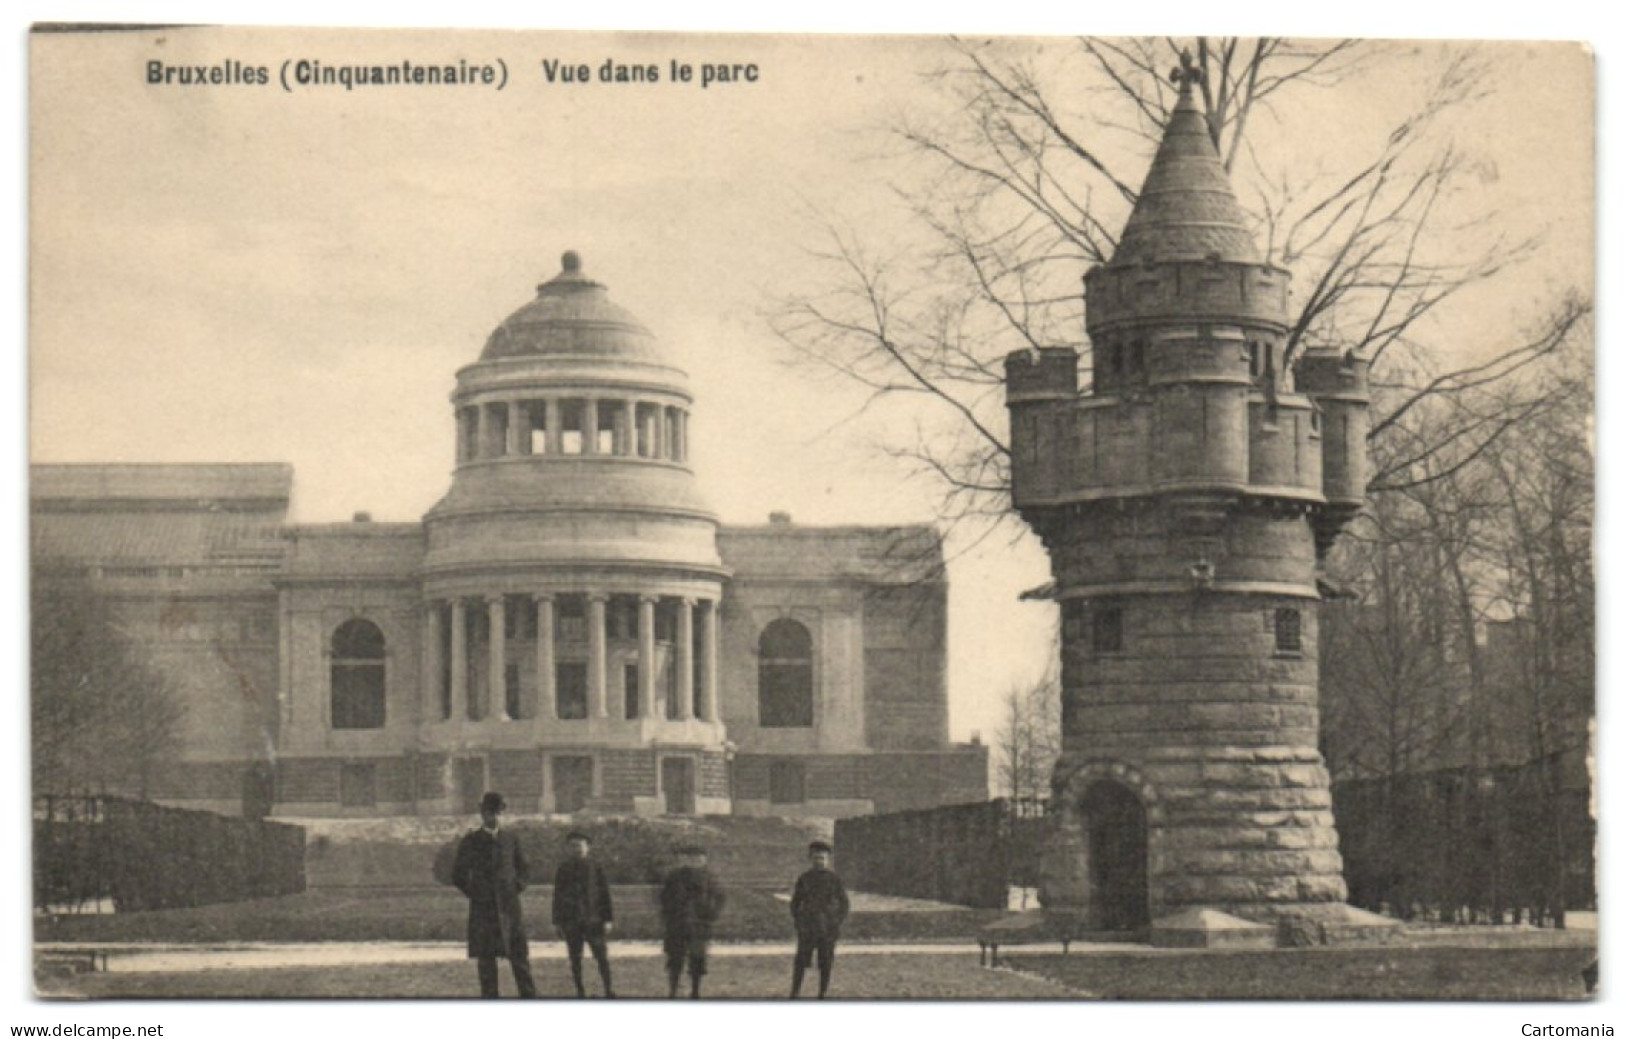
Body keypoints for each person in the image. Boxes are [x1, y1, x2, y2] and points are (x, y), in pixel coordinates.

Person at [451, 791, 537, 998]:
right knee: (486, 961)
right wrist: (476, 893)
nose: (494, 818)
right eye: (490, 813)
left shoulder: (511, 839)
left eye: (498, 813)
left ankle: (530, 998)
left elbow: (524, 869)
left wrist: (515, 887)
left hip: (510, 907)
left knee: (519, 957)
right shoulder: (471, 841)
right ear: (482, 814)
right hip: (484, 909)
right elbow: (458, 874)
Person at [552, 830, 615, 998]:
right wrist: (557, 922)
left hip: (594, 920)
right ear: (567, 848)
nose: (576, 849)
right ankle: (580, 991)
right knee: (575, 959)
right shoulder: (563, 869)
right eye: (572, 846)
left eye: (579, 845)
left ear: (588, 847)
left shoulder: (596, 867)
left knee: (602, 957)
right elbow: (557, 896)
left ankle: (609, 990)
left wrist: (608, 919)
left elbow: (604, 894)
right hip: (571, 922)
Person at [658, 844, 726, 999]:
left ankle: (695, 991)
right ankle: (673, 991)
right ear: (685, 859)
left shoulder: (710, 877)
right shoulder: (674, 876)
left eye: (699, 857)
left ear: (705, 859)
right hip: (677, 924)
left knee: (698, 959)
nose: (695, 861)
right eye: (691, 857)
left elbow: (720, 898)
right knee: (675, 959)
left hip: (700, 925)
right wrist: (669, 917)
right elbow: (664, 899)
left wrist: (711, 914)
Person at [789, 840, 850, 999]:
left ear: (828, 860)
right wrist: (799, 922)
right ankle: (795, 991)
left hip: (827, 929)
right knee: (801, 961)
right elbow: (795, 903)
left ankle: (822, 992)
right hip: (808, 928)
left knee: (826, 962)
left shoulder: (834, 879)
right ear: (811, 859)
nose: (819, 861)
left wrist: (836, 921)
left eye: (822, 858)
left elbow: (844, 903)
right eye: (816, 858)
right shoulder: (804, 879)